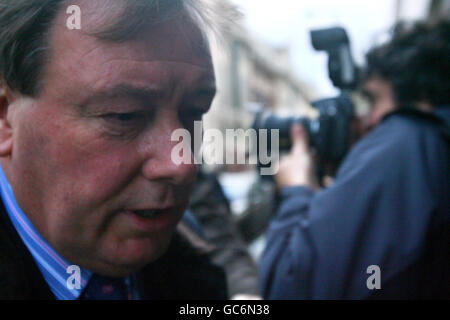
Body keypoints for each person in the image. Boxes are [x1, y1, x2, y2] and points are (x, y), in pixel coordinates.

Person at [0, 0, 230, 300]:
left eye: (194, 112)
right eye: (125, 115)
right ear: (6, 117)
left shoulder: (197, 274)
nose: (182, 164)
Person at [260, 20, 450, 299]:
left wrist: (297, 191)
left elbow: (289, 287)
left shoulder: (408, 138)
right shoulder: (434, 148)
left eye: (373, 100)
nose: (368, 120)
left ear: (419, 96)